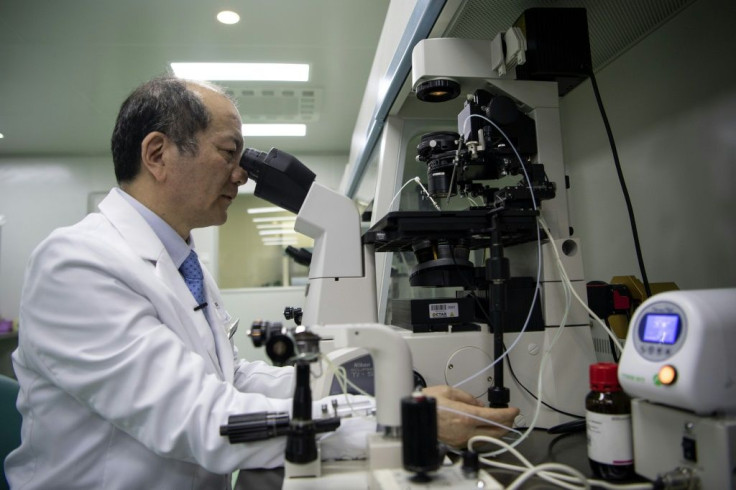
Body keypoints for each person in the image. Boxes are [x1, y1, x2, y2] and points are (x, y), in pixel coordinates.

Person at [5, 76, 519, 489]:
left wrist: (384, 390)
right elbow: (203, 417)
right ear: (158, 154)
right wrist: (400, 424)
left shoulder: (184, 261)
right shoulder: (77, 264)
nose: (242, 175)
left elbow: (230, 380)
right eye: (230, 153)